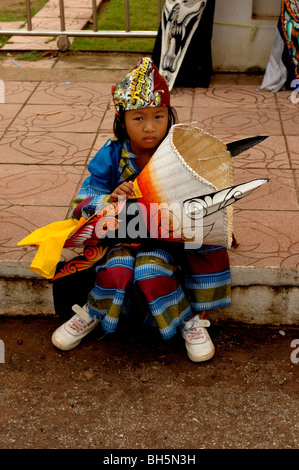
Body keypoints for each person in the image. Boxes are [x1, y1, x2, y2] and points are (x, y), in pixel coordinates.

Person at [51, 57, 231, 362]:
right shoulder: (112, 154)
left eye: (159, 117)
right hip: (119, 238)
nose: (150, 127)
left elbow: (204, 198)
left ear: (169, 116)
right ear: (122, 120)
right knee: (117, 270)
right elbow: (82, 201)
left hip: (166, 242)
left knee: (150, 272)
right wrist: (110, 198)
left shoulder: (178, 153)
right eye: (138, 119)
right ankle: (93, 312)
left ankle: (189, 320)